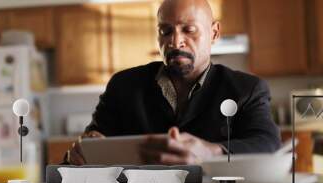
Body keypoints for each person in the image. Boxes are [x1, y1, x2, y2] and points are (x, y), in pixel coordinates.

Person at [65, 0, 281, 165]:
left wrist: (211, 151)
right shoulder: (123, 86)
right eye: (165, 31)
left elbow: (268, 145)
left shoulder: (247, 89)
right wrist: (80, 152)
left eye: (189, 30)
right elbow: (90, 146)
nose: (175, 41)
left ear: (214, 33)